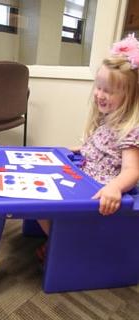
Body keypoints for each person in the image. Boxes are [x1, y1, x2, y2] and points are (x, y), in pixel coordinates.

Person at [38, 34, 139, 239]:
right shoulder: (106, 119)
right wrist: (74, 150)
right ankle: (59, 241)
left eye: (108, 91)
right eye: (99, 87)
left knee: (41, 206)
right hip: (82, 178)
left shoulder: (130, 129)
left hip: (98, 192)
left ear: (130, 96)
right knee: (38, 193)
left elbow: (132, 170)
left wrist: (114, 188)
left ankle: (64, 245)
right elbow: (99, 150)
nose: (100, 95)